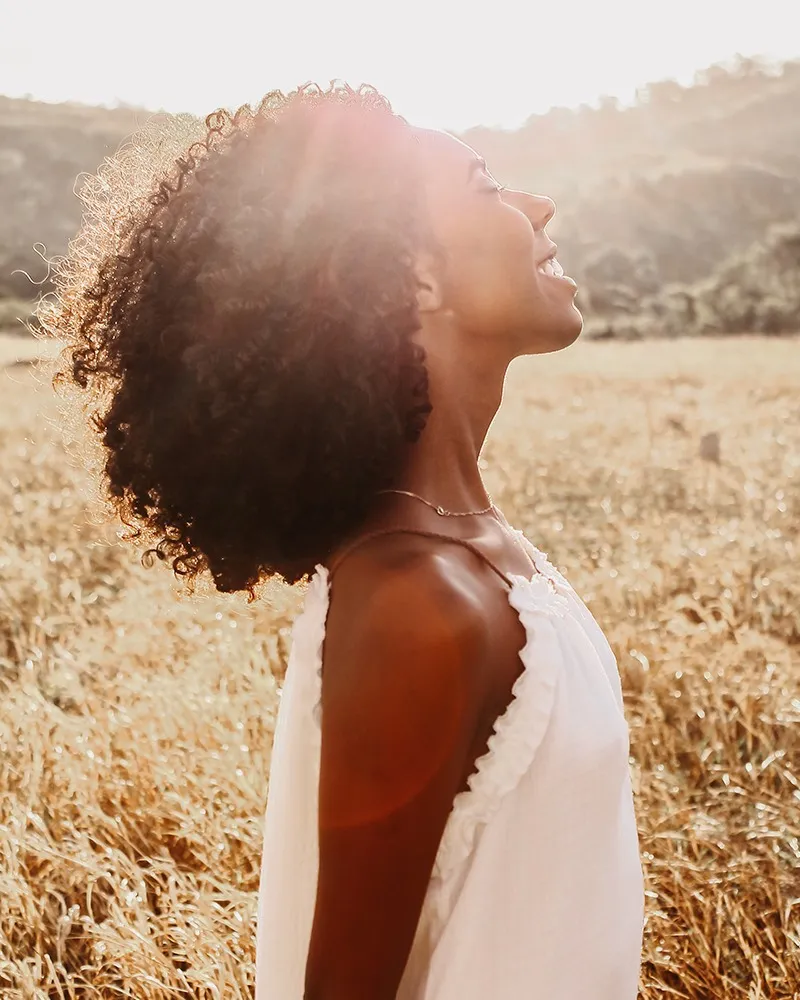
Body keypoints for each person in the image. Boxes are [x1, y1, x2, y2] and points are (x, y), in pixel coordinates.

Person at [43, 82, 644, 1000]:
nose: (537, 204)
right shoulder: (415, 601)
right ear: (418, 278)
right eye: (485, 186)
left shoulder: (469, 550)